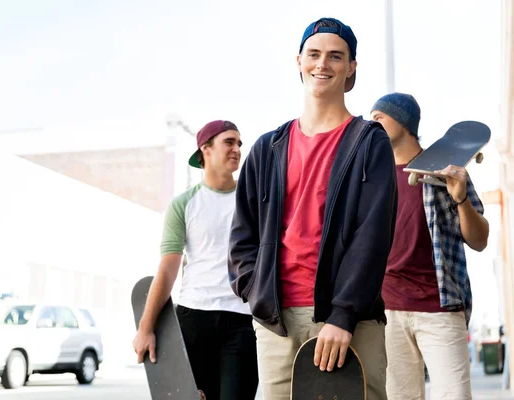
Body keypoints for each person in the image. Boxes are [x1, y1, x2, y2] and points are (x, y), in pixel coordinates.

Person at [228, 17, 397, 400]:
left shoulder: (369, 143)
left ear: (351, 67)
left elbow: (372, 237)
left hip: (346, 322)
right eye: (314, 54)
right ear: (299, 61)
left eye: (336, 56)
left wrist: (343, 314)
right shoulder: (267, 149)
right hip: (277, 324)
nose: (323, 64)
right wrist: (257, 293)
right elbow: (242, 236)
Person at [370, 92, 489, 399]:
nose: (372, 122)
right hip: (388, 310)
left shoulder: (445, 171)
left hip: (439, 307)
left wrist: (460, 197)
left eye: (379, 116)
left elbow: (479, 240)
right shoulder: (372, 178)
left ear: (404, 121)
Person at [133, 120, 259, 400]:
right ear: (206, 149)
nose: (237, 148)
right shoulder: (184, 204)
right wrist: (146, 327)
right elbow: (167, 270)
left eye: (239, 143)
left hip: (240, 321)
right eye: (229, 142)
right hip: (193, 319)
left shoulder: (252, 200)